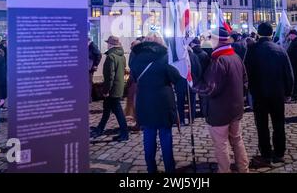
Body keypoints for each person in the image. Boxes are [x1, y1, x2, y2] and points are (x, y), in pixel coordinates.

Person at [194, 27, 249, 173]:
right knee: (237, 140)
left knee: (221, 144)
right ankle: (244, 168)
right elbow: (245, 81)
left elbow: (209, 88)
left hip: (220, 111)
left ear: (217, 41)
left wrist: (194, 85)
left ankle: (224, 170)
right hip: (235, 109)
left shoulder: (219, 61)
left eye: (211, 38)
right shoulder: (235, 57)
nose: (209, 41)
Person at [130, 34, 182, 173]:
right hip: (163, 102)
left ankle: (151, 169)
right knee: (165, 136)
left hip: (144, 101)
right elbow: (176, 78)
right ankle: (169, 169)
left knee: (148, 135)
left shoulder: (136, 57)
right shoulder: (165, 57)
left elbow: (133, 76)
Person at [244, 22, 294, 167]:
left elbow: (246, 72)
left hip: (259, 94)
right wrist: (288, 92)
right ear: (271, 34)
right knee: (279, 124)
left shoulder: (252, 50)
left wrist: (248, 92)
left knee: (262, 125)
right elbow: (289, 74)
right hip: (277, 94)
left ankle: (266, 153)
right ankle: (279, 152)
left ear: (258, 33)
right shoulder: (280, 49)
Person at [93, 35, 128, 141]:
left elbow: (110, 76)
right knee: (107, 110)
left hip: (112, 90)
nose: (107, 45)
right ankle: (100, 129)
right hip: (118, 88)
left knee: (118, 112)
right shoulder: (121, 56)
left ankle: (124, 134)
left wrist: (106, 90)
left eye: (108, 43)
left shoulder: (111, 56)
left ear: (111, 44)